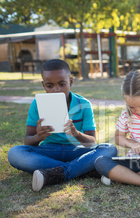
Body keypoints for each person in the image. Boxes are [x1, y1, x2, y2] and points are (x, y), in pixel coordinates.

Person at [7, 59, 117, 191]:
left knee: (109, 148)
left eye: (62, 84)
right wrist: (38, 137)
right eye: (50, 86)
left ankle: (61, 172)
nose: (56, 90)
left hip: (76, 151)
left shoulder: (84, 104)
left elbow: (91, 142)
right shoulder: (37, 104)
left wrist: (76, 133)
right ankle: (83, 170)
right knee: (15, 152)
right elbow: (28, 141)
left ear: (70, 81)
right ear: (43, 85)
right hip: (49, 152)